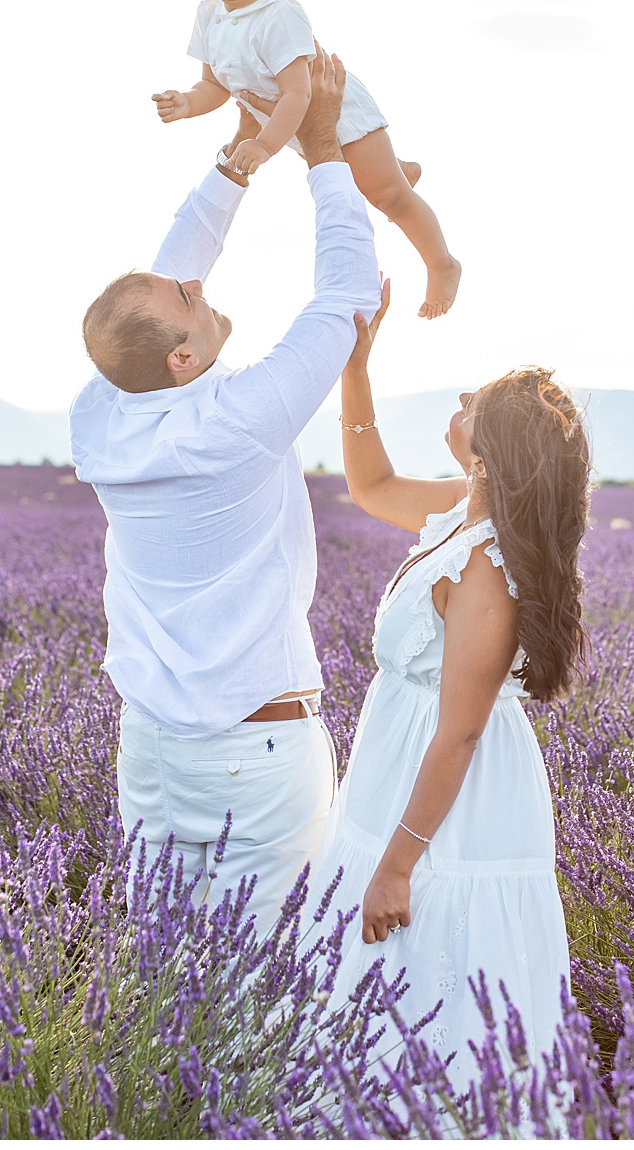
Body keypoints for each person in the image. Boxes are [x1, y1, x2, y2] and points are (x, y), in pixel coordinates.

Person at [74, 53, 381, 932]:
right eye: (188, 300)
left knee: (162, 974)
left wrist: (237, 162)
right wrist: (324, 150)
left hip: (154, 747)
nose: (199, 282)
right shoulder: (238, 421)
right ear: (182, 359)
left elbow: (158, 287)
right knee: (268, 981)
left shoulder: (102, 409)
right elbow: (349, 294)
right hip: (257, 745)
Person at [305, 282, 588, 1068]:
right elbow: (369, 486)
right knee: (387, 975)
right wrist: (356, 366)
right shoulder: (463, 512)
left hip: (447, 792)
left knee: (441, 961)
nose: (460, 395)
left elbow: (460, 731)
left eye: (477, 399)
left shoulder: (488, 567)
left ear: (492, 449)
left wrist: (398, 864)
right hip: (399, 766)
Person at [153, 0, 460, 320]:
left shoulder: (280, 16)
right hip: (287, 125)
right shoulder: (209, 15)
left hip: (331, 112)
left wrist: (262, 145)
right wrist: (188, 103)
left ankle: (442, 263)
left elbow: (297, 95)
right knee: (364, 176)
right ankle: (396, 166)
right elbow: (214, 84)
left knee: (389, 197)